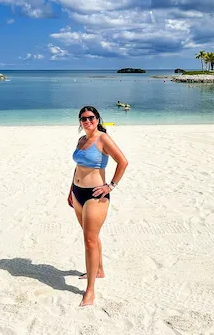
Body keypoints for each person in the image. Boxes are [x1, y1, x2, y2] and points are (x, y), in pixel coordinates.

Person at [67, 105, 128, 307]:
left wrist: (110, 186)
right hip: (77, 193)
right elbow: (78, 167)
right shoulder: (81, 140)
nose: (87, 121)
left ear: (97, 118)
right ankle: (99, 269)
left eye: (91, 117)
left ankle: (90, 291)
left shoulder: (102, 138)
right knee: (89, 235)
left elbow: (123, 162)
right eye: (83, 118)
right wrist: (70, 190)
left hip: (95, 196)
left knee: (89, 241)